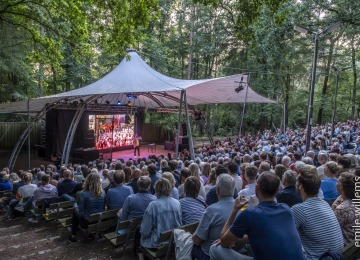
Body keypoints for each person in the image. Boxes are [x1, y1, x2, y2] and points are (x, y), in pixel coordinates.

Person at [210, 172, 305, 260]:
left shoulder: (249, 214)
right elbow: (266, 234)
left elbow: (224, 242)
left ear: (257, 188)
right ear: (277, 189)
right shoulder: (286, 209)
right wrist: (239, 239)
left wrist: (235, 210)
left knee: (214, 248)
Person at [291, 167, 343, 260]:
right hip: (336, 256)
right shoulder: (324, 203)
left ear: (301, 186)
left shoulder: (297, 209)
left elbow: (288, 237)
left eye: (296, 182)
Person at [192, 174, 235, 260]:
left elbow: (197, 240)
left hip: (210, 255)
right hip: (234, 252)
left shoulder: (211, 210)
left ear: (217, 190)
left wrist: (192, 236)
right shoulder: (242, 208)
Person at [139, 178, 181, 259]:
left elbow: (145, 232)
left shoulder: (153, 205)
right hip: (173, 241)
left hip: (157, 244)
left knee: (139, 235)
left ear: (156, 189)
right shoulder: (177, 203)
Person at [67, 173, 106, 243]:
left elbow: (81, 212)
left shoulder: (83, 194)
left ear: (87, 181)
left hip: (87, 222)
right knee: (76, 211)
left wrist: (75, 205)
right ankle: (75, 234)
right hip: (99, 219)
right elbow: (103, 208)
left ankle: (73, 235)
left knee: (75, 210)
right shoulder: (103, 192)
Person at [334, 172, 358, 246]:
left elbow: (331, 230)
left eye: (337, 181)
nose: (336, 183)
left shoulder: (341, 209)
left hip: (346, 249)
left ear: (341, 186)